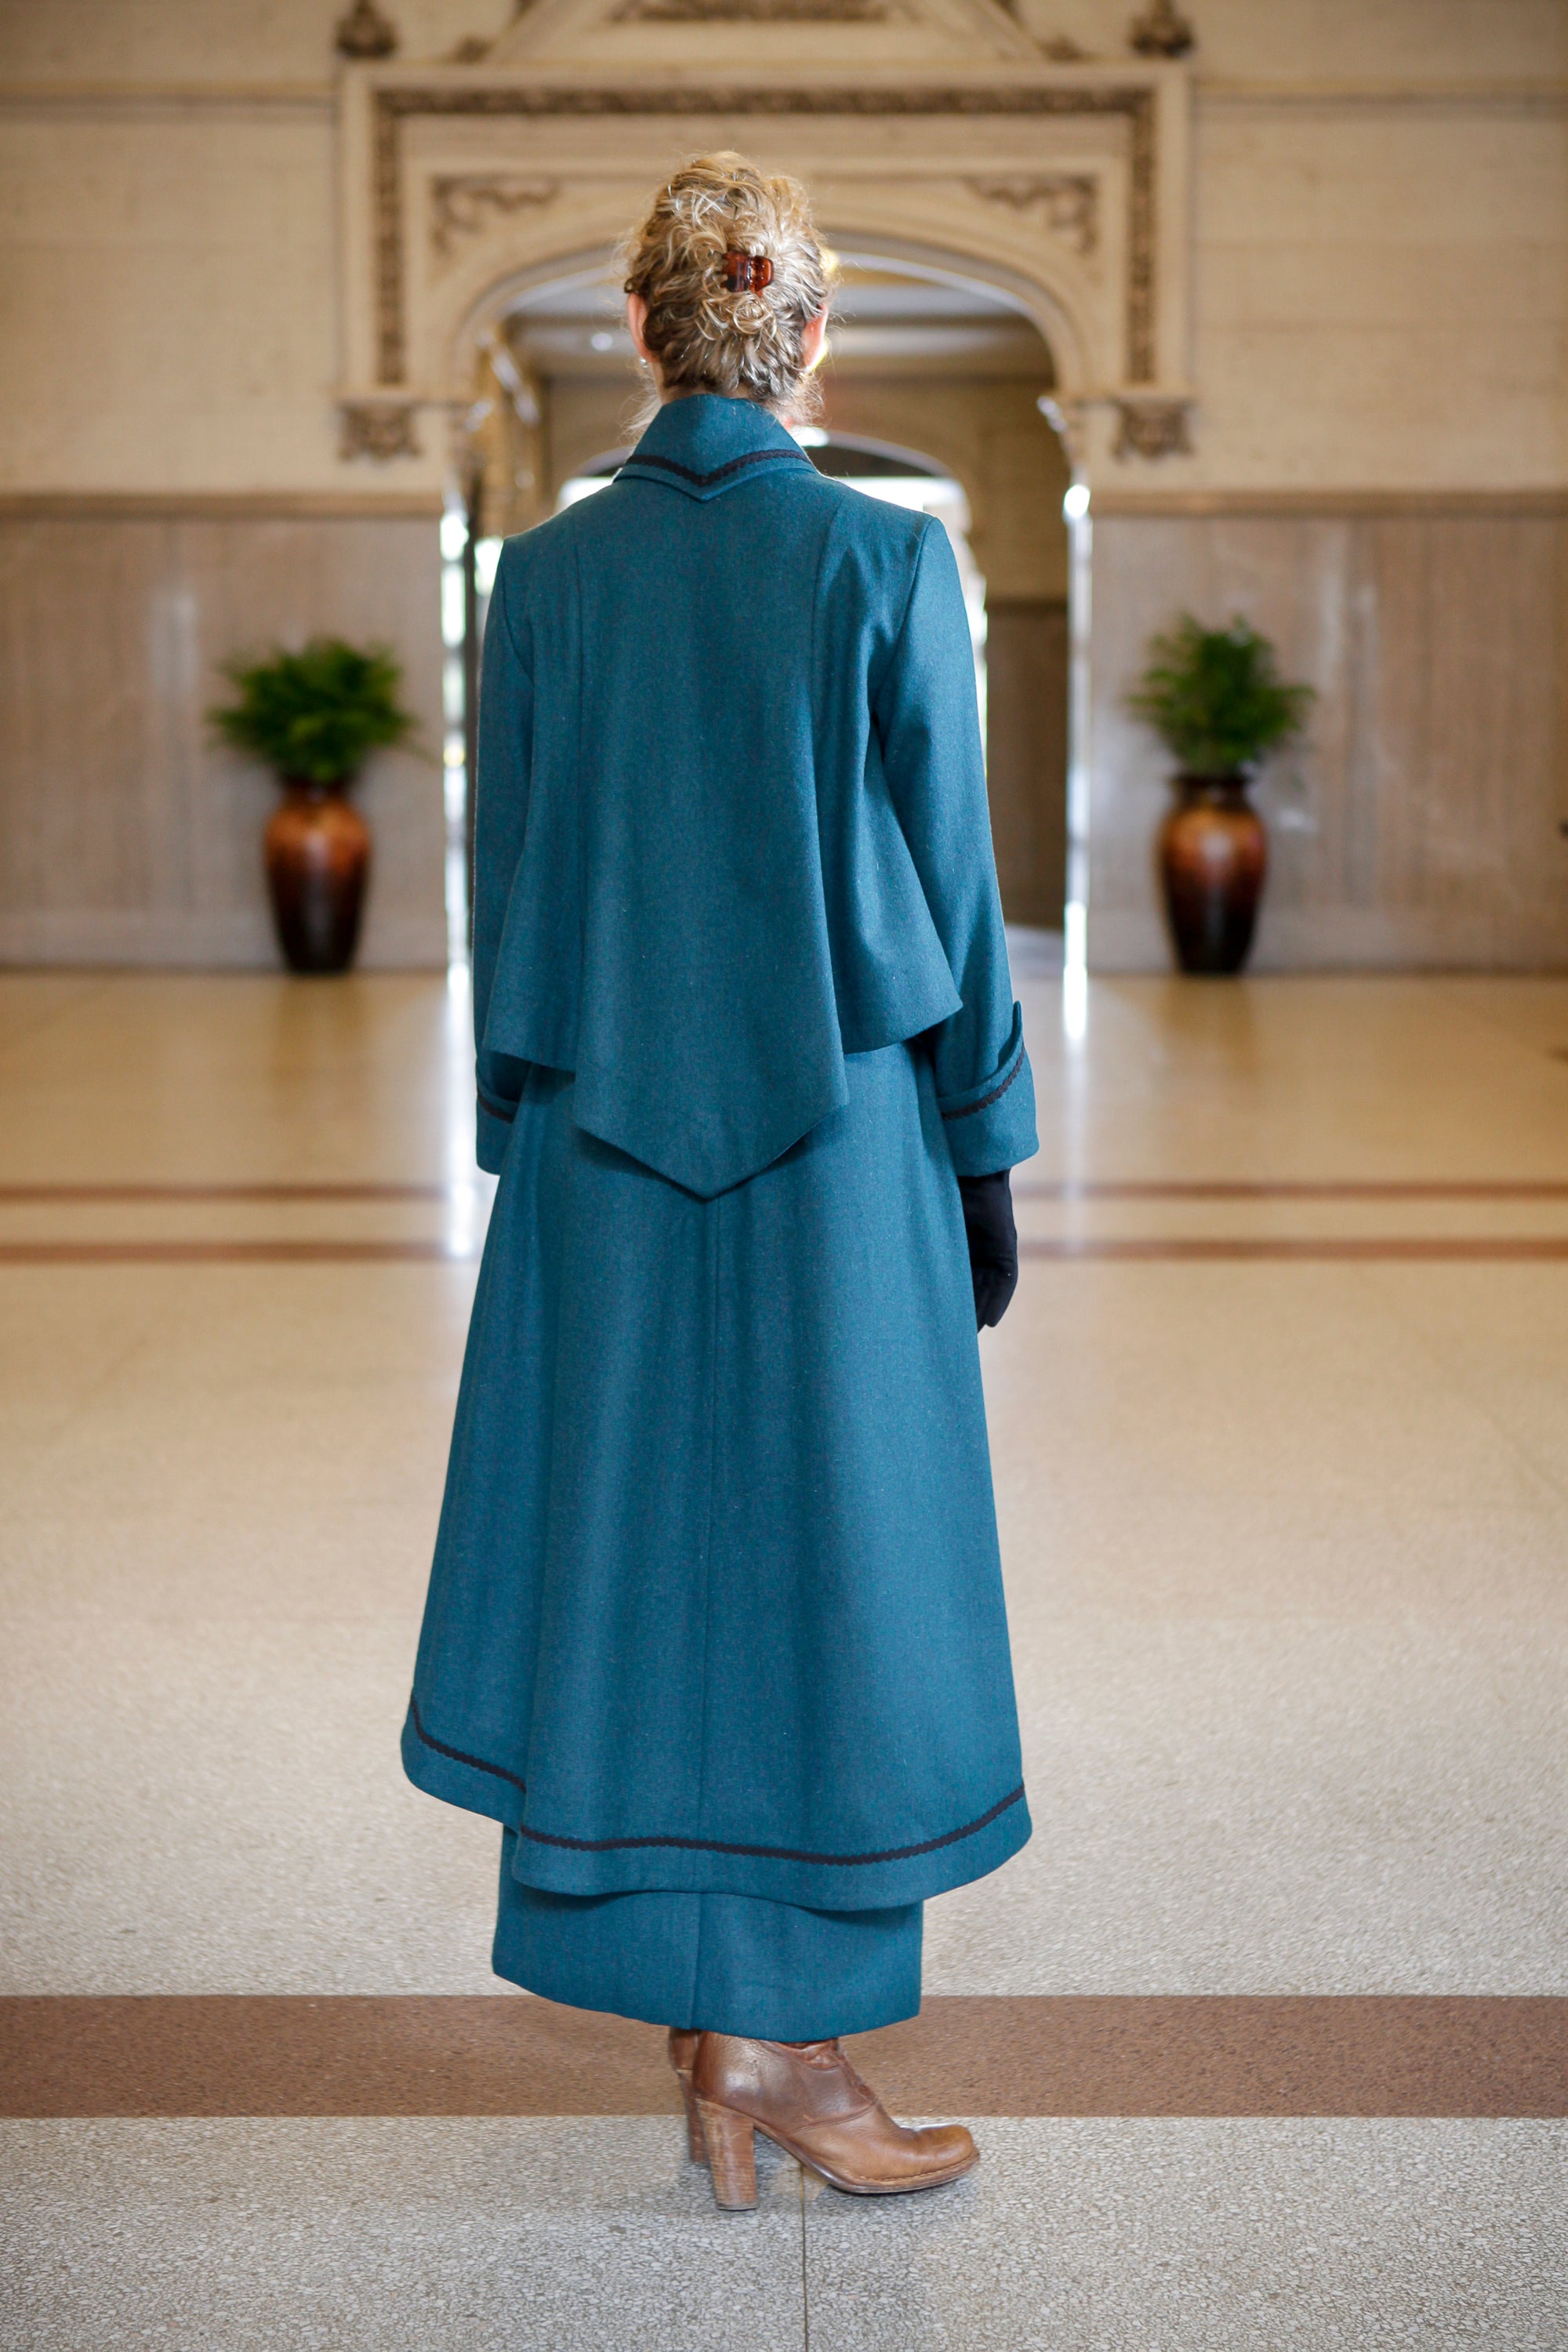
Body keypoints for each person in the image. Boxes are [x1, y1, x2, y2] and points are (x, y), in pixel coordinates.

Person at [402, 153, 1038, 2212]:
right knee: (826, 1569)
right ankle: (784, 2049)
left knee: (643, 1565)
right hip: (838, 1144)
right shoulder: (883, 562)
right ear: (813, 345)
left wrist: (517, 1147)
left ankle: (721, 2034)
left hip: (602, 1141)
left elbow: (511, 899)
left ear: (639, 337)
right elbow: (953, 881)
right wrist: (985, 1149)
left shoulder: (546, 578)